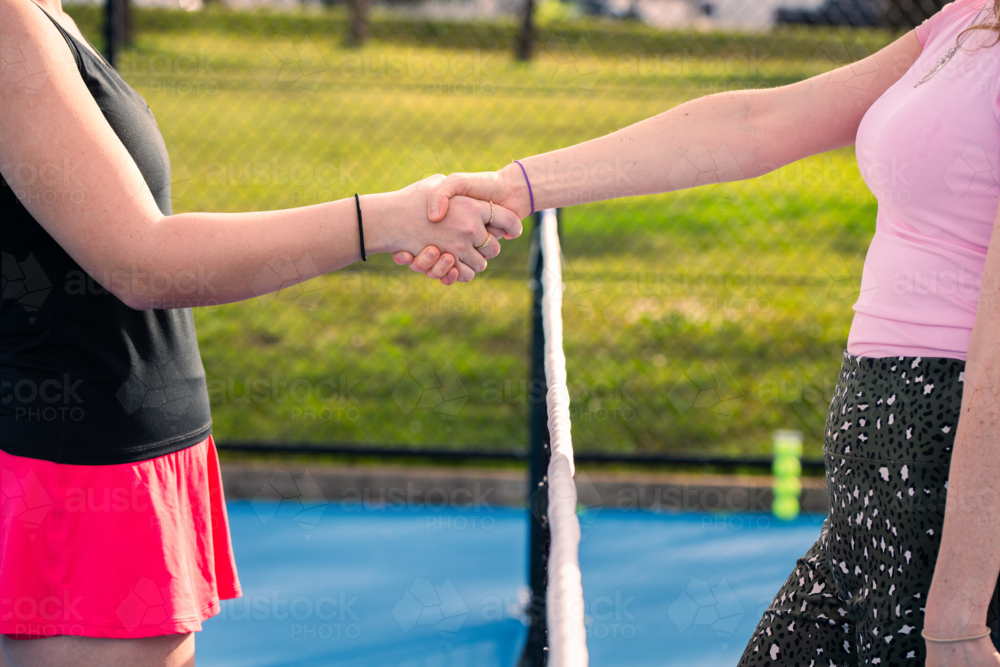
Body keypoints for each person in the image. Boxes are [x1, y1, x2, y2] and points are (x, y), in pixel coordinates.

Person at [398, 0, 1000, 664]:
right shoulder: (966, 20)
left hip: (952, 517)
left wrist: (958, 611)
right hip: (869, 518)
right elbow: (758, 123)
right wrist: (519, 185)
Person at [0, 0, 521, 664]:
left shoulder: (44, 14)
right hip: (83, 477)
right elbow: (140, 261)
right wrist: (387, 219)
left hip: (134, 455)